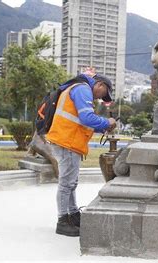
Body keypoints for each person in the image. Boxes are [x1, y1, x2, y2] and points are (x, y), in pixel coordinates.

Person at [46, 72, 116, 237]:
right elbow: (86, 117)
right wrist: (107, 122)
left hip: (69, 141)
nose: (100, 98)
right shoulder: (83, 89)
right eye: (103, 93)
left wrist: (103, 127)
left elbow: (80, 120)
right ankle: (63, 220)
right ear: (99, 85)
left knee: (71, 182)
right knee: (66, 183)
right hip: (67, 141)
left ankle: (72, 214)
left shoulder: (80, 89)